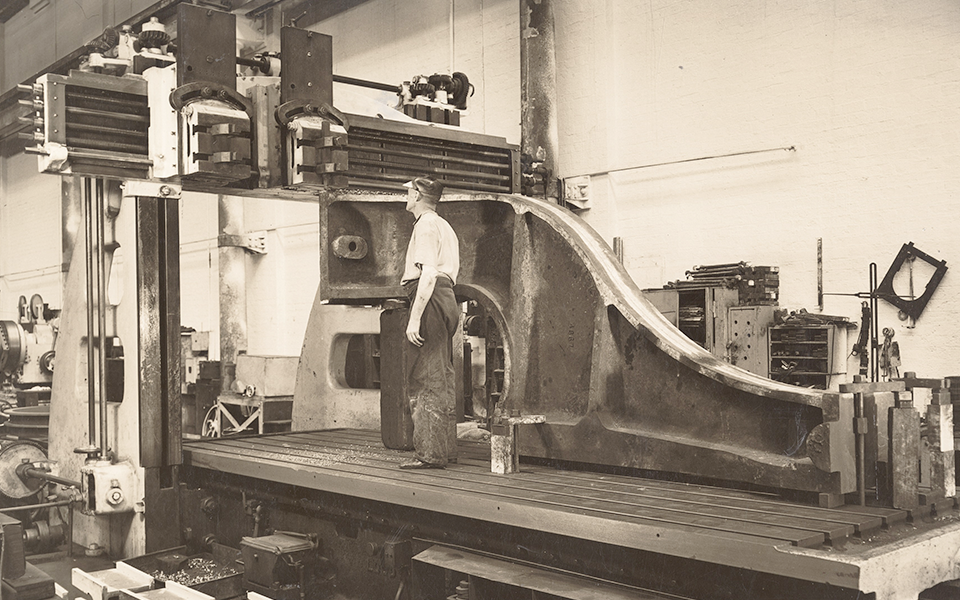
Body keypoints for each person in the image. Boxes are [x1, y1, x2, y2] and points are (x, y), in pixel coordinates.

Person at [398, 177, 461, 469]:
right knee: (442, 375)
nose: (406, 198)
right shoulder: (444, 226)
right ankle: (445, 450)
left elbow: (428, 274)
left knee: (426, 378)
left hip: (431, 299)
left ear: (419, 195)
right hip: (446, 299)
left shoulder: (424, 225)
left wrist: (414, 319)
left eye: (408, 193)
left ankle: (430, 455)